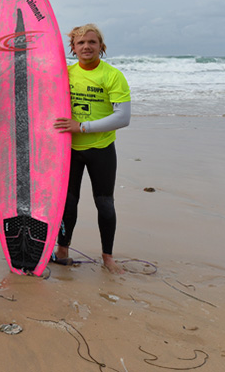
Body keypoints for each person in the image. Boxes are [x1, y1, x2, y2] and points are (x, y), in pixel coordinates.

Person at [53, 24, 131, 274]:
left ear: (101, 46)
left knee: (105, 203)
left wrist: (82, 127)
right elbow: (33, 87)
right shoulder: (64, 73)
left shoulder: (112, 76)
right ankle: (62, 251)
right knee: (68, 203)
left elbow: (123, 118)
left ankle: (107, 257)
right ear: (73, 48)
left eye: (92, 42)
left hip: (101, 148)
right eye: (80, 43)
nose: (86, 46)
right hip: (69, 150)